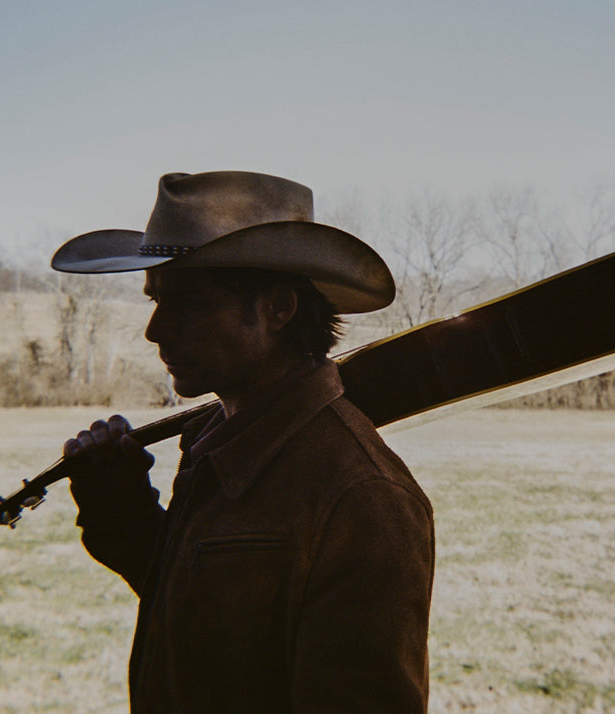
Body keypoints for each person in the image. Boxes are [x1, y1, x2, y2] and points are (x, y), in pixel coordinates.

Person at [51, 171, 435, 712]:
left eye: (185, 302)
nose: (154, 331)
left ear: (278, 308)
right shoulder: (217, 445)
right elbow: (215, 626)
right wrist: (123, 511)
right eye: (154, 300)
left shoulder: (362, 496)